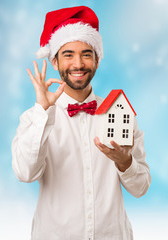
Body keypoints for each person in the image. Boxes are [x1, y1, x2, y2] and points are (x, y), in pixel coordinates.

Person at [11, 6, 151, 240]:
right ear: (54, 62)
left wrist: (125, 163)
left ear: (97, 59)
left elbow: (141, 188)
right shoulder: (34, 119)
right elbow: (25, 173)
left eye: (86, 54)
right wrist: (43, 113)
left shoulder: (120, 112)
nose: (78, 64)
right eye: (68, 54)